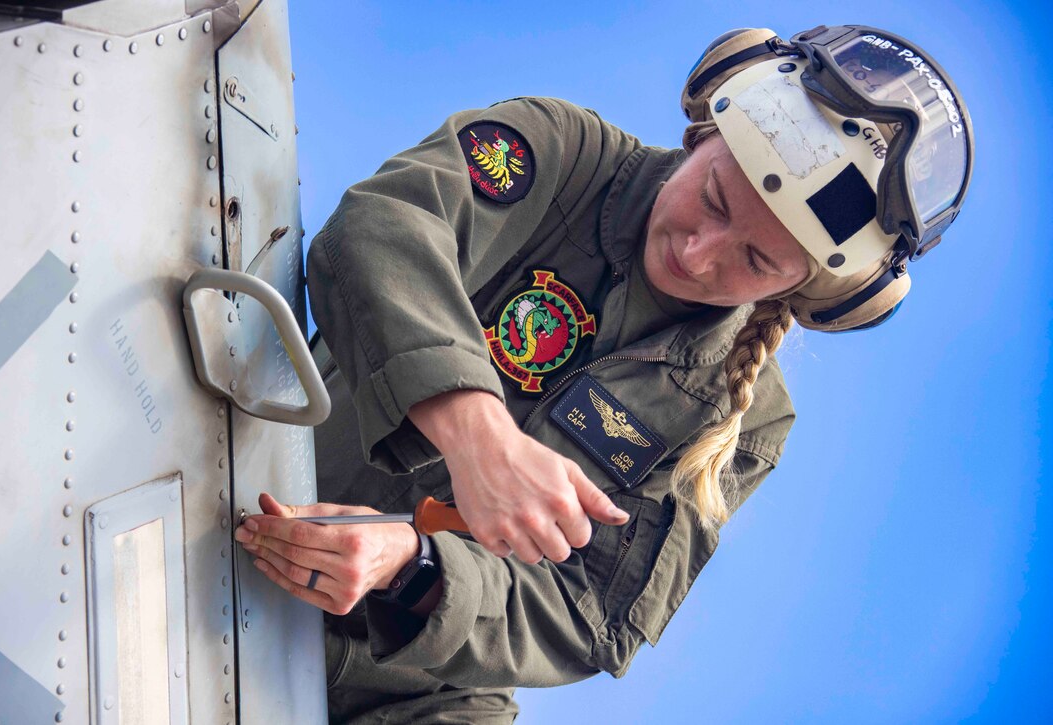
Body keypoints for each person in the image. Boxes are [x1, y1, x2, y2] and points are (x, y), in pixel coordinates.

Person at [233, 25, 973, 723]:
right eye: (712, 198)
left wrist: (416, 568)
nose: (697, 252)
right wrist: (479, 437)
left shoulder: (744, 421)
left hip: (402, 695)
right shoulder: (560, 156)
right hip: (238, 496)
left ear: (797, 291)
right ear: (703, 129)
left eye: (755, 261)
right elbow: (376, 231)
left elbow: (591, 611)